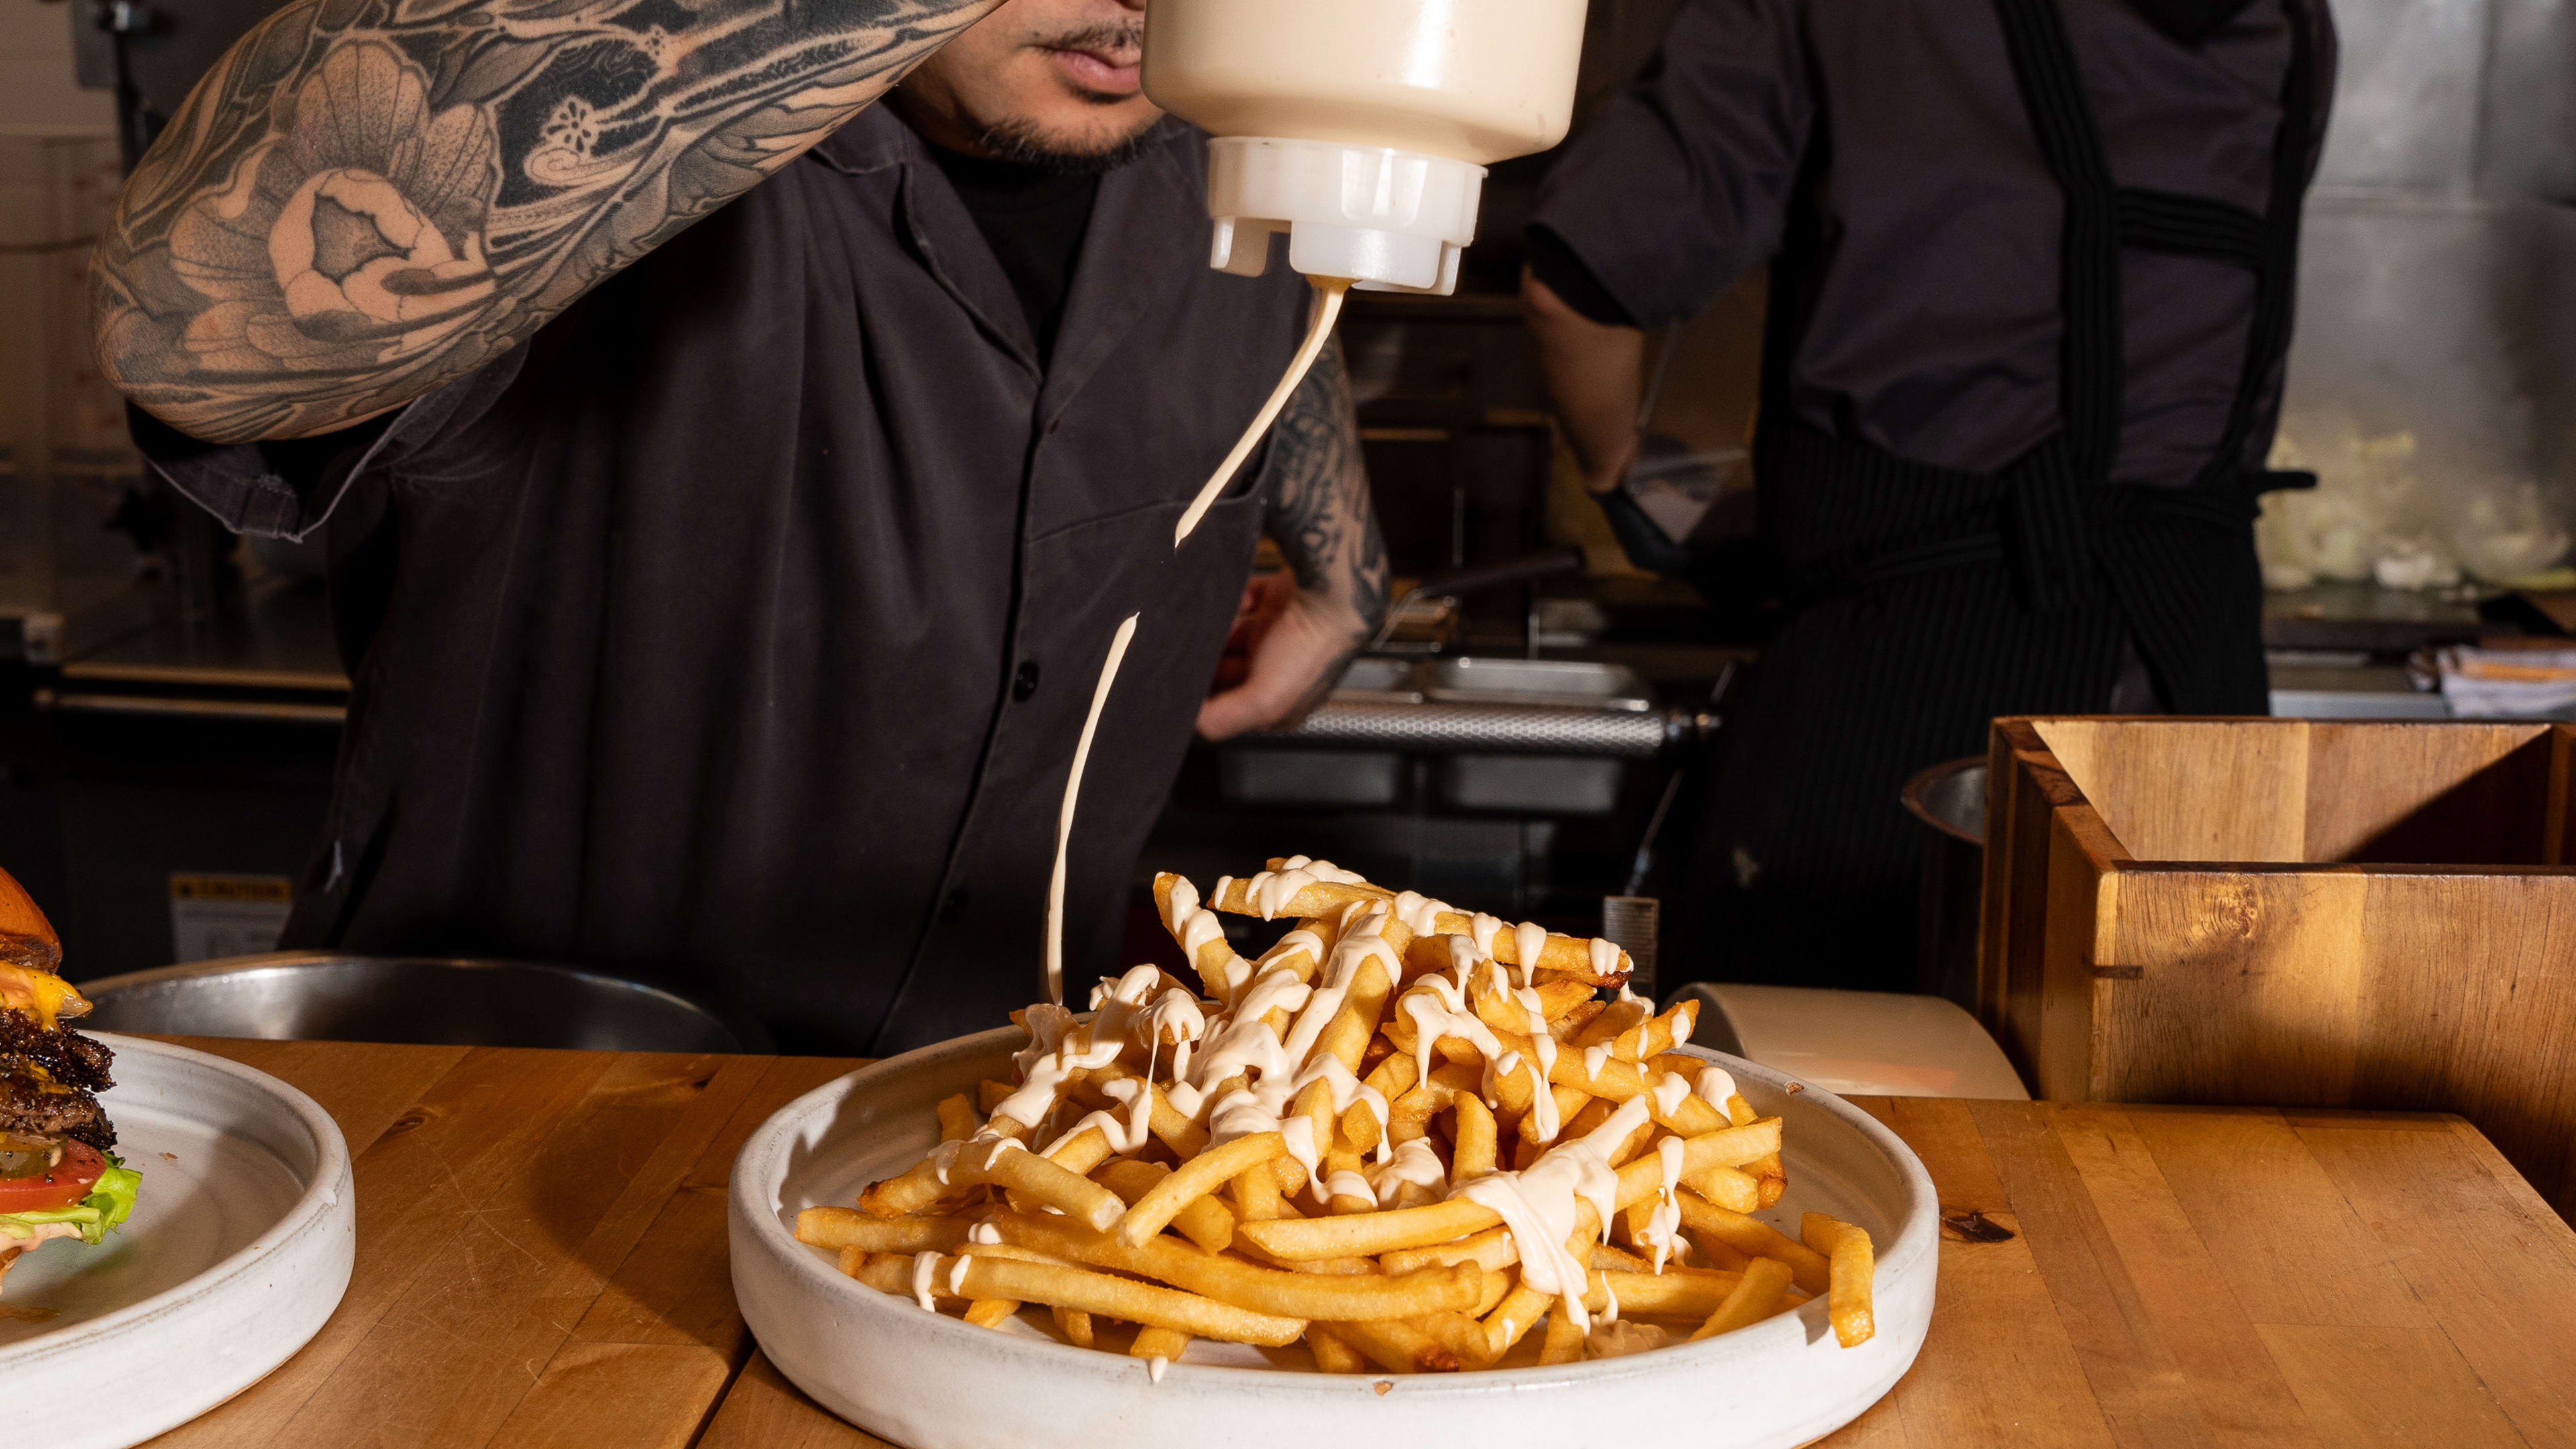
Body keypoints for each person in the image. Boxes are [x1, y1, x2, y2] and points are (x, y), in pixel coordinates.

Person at [88, 0, 1387, 1053]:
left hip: (985, 1164)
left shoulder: (1215, 163)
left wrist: (1344, 559)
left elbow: (1287, 312)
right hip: (495, 1146)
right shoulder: (618, 140)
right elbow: (177, 329)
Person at [1521, 0, 2334, 990]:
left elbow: (1580, 280)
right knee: (2158, 1110)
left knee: (1813, 1119)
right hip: (2198, 713)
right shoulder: (2292, 22)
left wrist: (1618, 468)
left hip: (1898, 718)